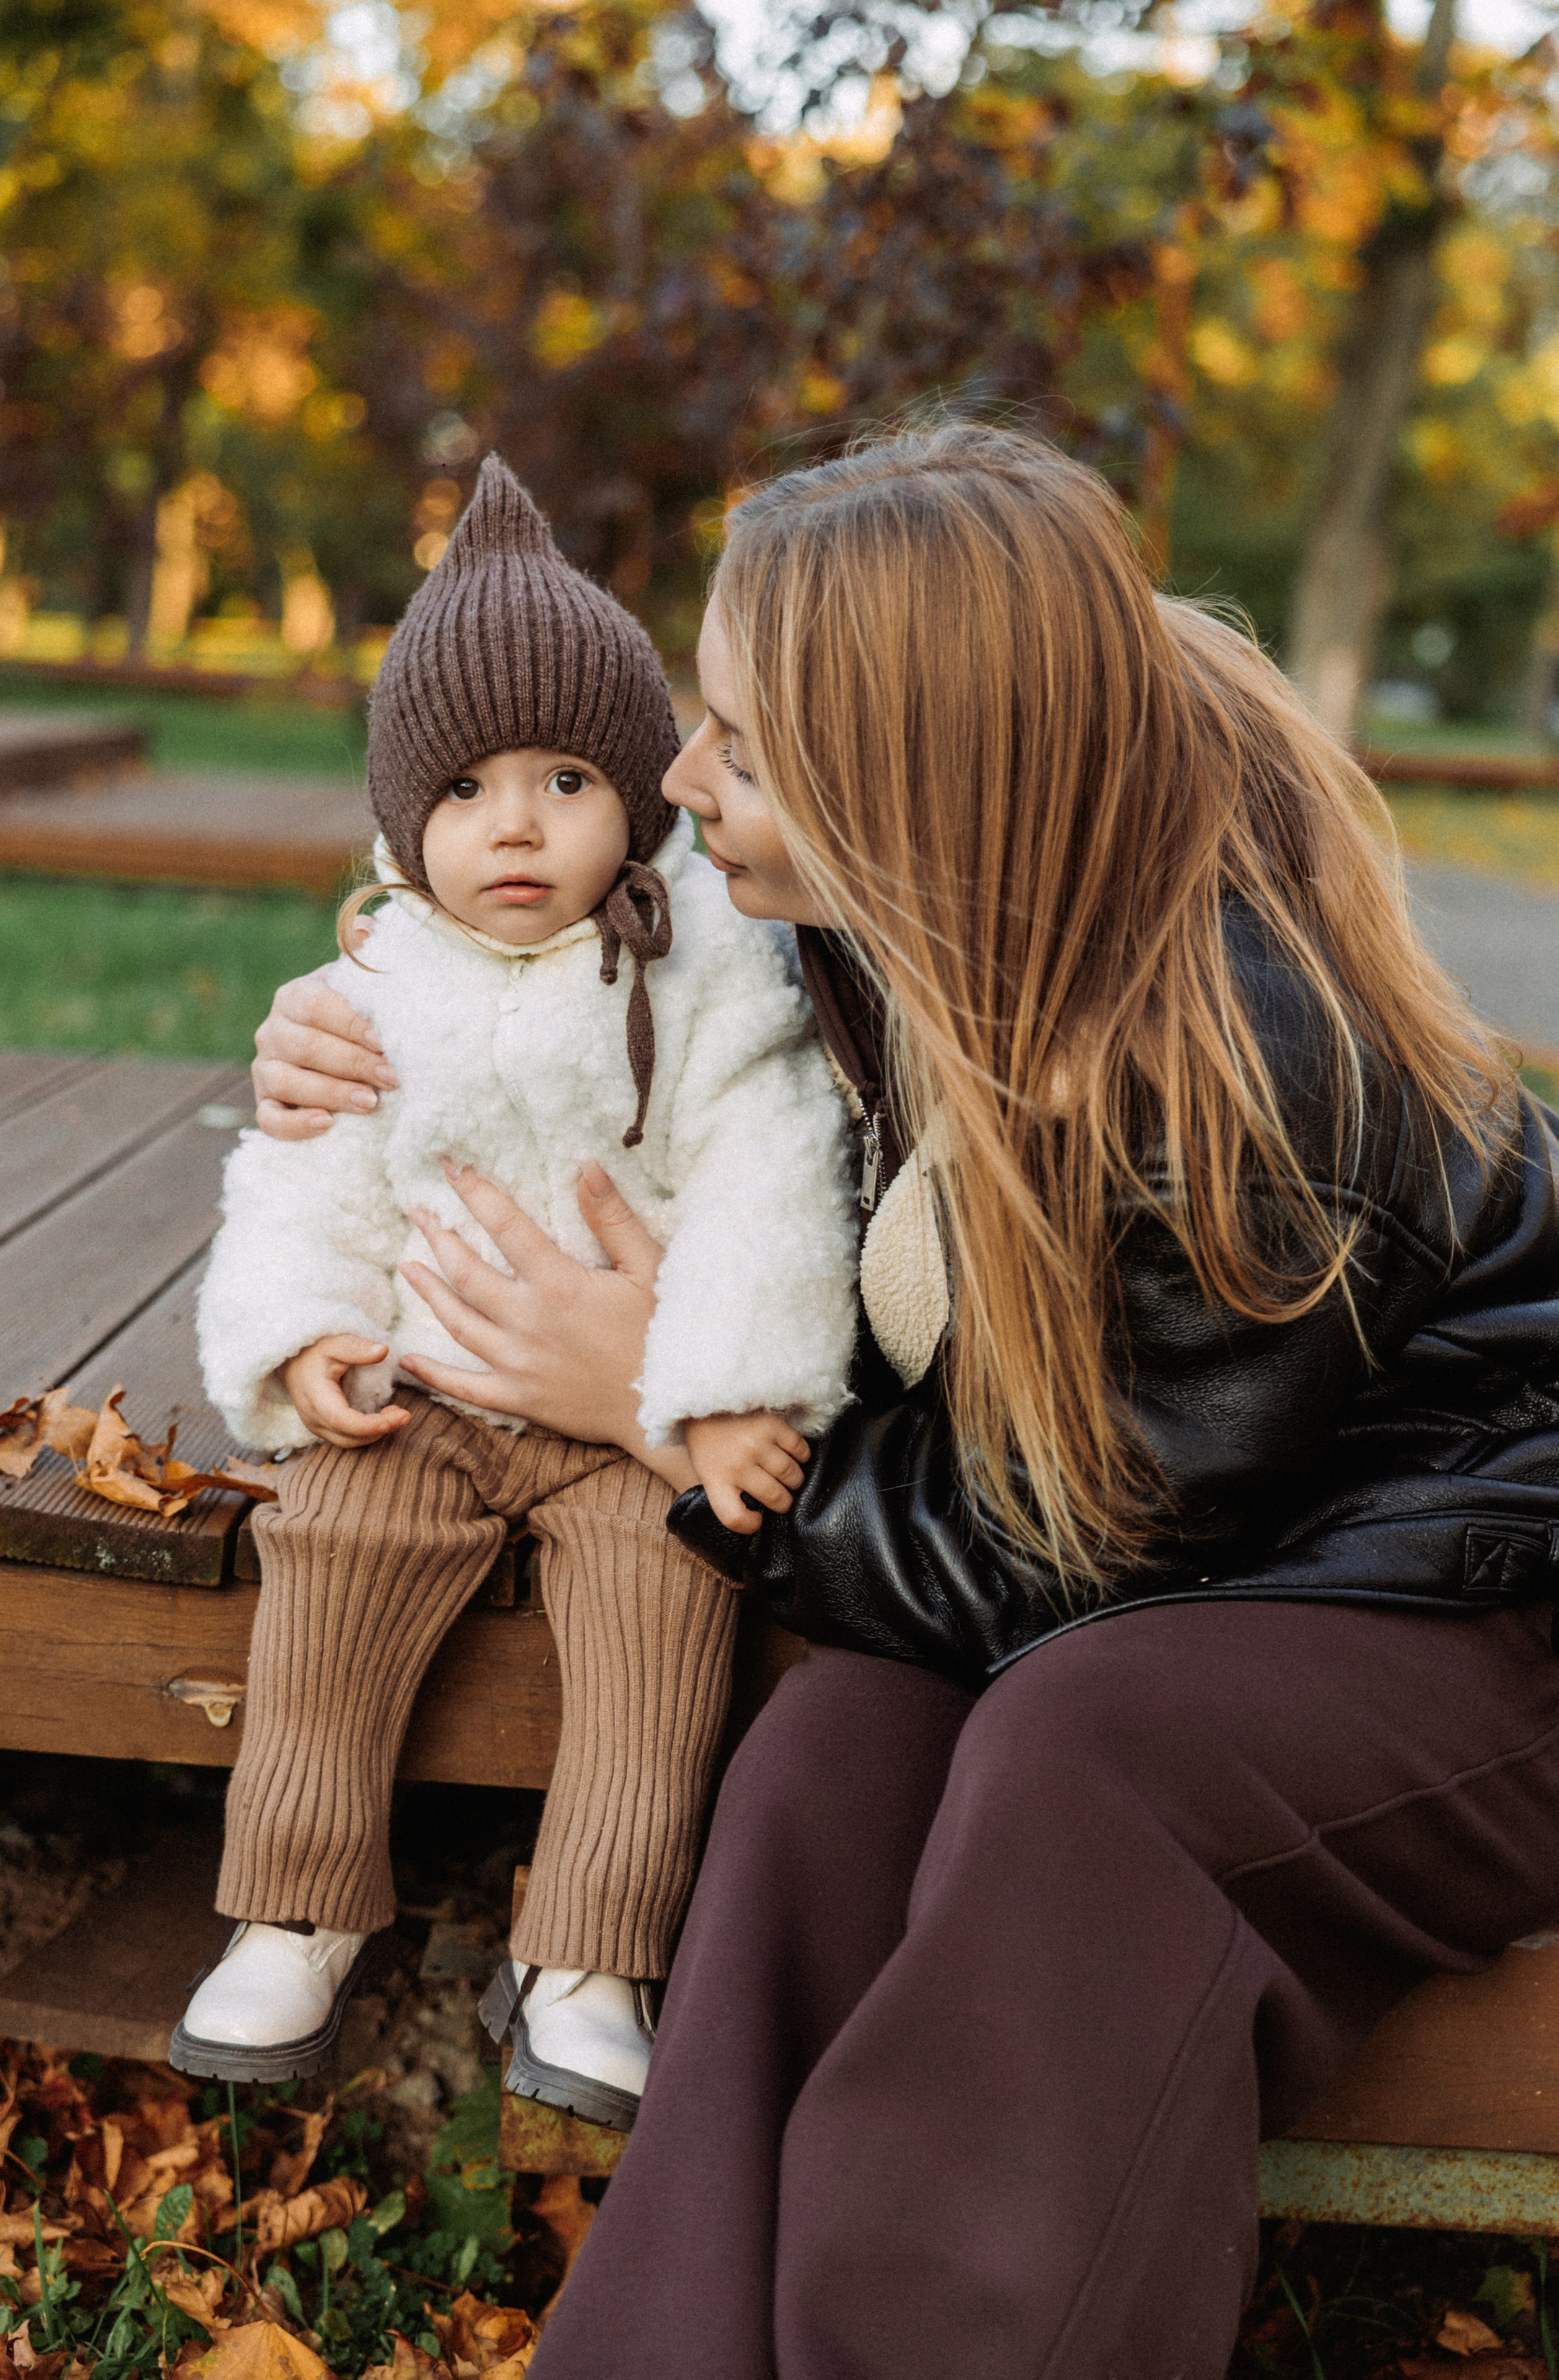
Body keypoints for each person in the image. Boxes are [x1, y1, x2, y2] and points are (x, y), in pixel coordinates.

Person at [246, 423, 1559, 2379]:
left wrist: (664, 1411)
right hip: (1190, 1537)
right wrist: (349, 1030)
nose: (683, 780)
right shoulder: (887, 911)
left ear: (918, 788)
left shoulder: (1249, 1079)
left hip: (1477, 1598)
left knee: (1087, 1749)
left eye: (744, 746)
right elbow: (545, 970)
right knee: (833, 1749)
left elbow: (1077, 1565)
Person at [176, 455, 857, 2122]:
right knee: (333, 1548)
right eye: (469, 787)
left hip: (634, 1409)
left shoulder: (707, 975)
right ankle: (296, 1905)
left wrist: (723, 1393)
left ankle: (594, 1955)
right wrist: (305, 1336)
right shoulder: (375, 978)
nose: (519, 824)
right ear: (405, 815)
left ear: (637, 793)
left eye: (566, 777)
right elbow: (309, 1168)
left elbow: (771, 1176)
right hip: (425, 1385)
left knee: (667, 1594)